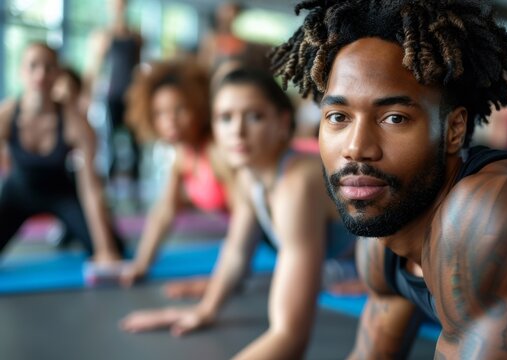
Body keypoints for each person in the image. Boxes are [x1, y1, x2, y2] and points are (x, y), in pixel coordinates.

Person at [270, 0, 507, 358]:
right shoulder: (385, 234)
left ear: (453, 130)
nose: (357, 148)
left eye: (394, 118)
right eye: (338, 117)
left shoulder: (490, 217)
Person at [120, 68, 358, 359]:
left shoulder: (297, 181)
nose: (237, 131)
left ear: (283, 123)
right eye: (225, 118)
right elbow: (236, 251)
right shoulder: (250, 176)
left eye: (254, 116)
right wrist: (205, 310)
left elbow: (290, 336)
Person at [0, 42, 124, 263]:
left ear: (58, 74)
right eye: (33, 66)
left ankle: (71, 231)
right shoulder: (7, 115)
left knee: (115, 249)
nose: (41, 73)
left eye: (48, 67)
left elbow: (90, 188)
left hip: (61, 195)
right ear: (21, 71)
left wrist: (105, 250)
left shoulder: (74, 123)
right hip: (17, 195)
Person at [117, 60, 231, 293]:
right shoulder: (183, 155)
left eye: (180, 109)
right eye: (160, 113)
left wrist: (217, 284)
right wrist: (141, 263)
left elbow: (249, 219)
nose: (170, 120)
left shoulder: (217, 151)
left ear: (199, 107)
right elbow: (164, 211)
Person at [85, 0, 143, 184]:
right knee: (110, 141)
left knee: (136, 141)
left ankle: (135, 183)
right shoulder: (103, 35)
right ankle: (110, 184)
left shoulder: (135, 36)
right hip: (112, 94)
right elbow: (95, 68)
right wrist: (87, 94)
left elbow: (138, 67)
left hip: (132, 94)